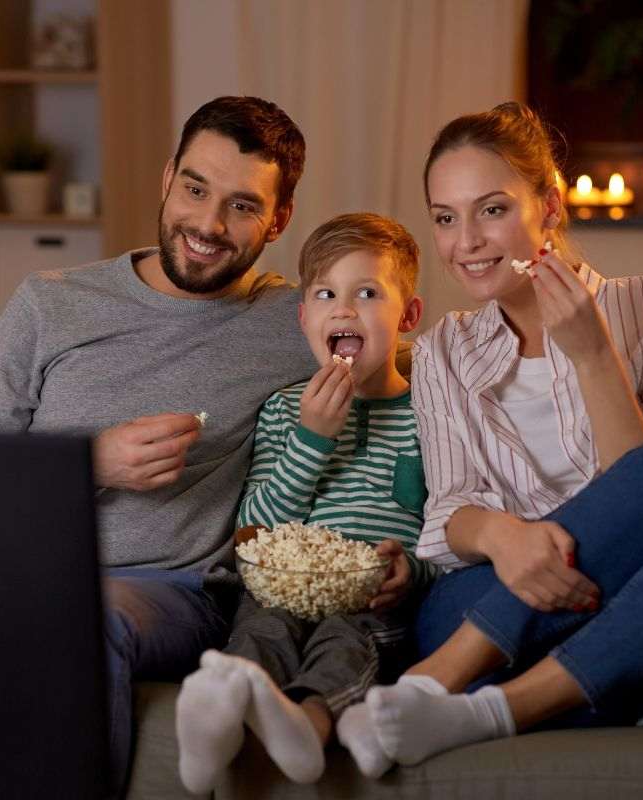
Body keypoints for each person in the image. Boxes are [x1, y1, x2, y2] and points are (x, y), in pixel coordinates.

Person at [335, 102, 643, 777]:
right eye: (446, 217)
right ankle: (462, 672)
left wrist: (593, 356)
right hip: (478, 603)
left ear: (551, 206)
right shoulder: (445, 349)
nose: (467, 241)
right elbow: (448, 513)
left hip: (627, 600)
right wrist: (507, 539)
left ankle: (471, 704)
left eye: (492, 209)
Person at [0, 96, 320, 799]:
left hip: (169, 594)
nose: (208, 226)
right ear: (166, 179)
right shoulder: (50, 303)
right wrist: (90, 464)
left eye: (243, 206)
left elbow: (424, 360)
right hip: (18, 574)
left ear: (279, 219)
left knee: (84, 619)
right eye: (195, 189)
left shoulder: (296, 321)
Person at [174, 213, 433, 792]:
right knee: (261, 629)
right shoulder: (284, 410)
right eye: (325, 294)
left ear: (408, 317)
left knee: (349, 639)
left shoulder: (431, 418)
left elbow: (443, 533)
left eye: (367, 293)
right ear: (304, 318)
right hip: (285, 584)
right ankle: (216, 719)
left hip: (371, 597)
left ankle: (307, 725)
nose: (344, 310)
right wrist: (312, 439)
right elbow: (254, 533)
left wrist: (410, 572)